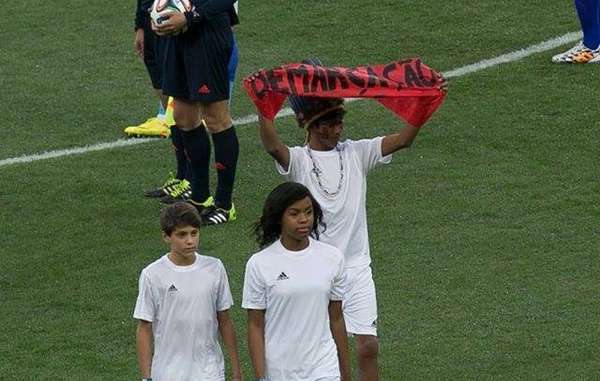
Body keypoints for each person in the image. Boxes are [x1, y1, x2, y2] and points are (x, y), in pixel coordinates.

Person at [254, 61, 447, 381]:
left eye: (338, 121)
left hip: (356, 267)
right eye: (327, 124)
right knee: (325, 346)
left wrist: (425, 102)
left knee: (368, 346)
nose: (336, 129)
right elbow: (273, 145)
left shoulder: (358, 152)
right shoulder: (300, 160)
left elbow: (404, 139)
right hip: (315, 270)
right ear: (309, 125)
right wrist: (263, 105)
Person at [242, 181, 351, 381]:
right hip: (280, 371)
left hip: (323, 368)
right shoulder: (259, 264)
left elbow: (336, 319)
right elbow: (255, 326)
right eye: (294, 214)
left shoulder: (333, 258)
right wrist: (260, 377)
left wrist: (345, 374)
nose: (304, 220)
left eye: (308, 212)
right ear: (279, 218)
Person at [150, 0, 240, 225]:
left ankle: (224, 204)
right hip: (179, 38)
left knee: (215, 118)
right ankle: (199, 197)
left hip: (208, 36)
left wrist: (191, 16)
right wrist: (157, 13)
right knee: (183, 117)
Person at [134, 202, 241, 381]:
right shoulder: (152, 274)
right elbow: (144, 328)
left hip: (210, 372)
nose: (190, 240)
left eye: (194, 233)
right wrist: (146, 378)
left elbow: (224, 320)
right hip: (168, 374)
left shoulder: (215, 268)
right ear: (166, 237)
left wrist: (236, 370)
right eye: (182, 235)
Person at [124, 0, 173, 139]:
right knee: (154, 67)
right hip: (149, 19)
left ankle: (185, 120)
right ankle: (170, 121)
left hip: (172, 17)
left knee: (172, 70)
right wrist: (140, 26)